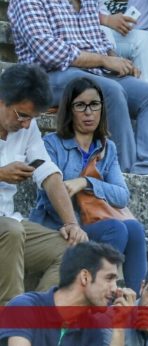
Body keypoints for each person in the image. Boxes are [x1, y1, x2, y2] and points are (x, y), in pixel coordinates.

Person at [9, 0, 148, 177]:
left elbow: (98, 40)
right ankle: (124, 173)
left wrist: (117, 60)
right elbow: (48, 52)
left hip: (94, 74)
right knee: (109, 91)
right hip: (48, 78)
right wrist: (104, 60)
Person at [29, 77, 147, 294]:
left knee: (135, 229)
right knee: (116, 228)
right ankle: (98, 292)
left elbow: (122, 196)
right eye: (80, 105)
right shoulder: (52, 144)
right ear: (69, 109)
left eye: (94, 105)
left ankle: (137, 304)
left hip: (94, 221)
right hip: (59, 224)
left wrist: (85, 182)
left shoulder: (107, 147)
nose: (88, 112)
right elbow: (49, 197)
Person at [0, 64, 88, 306]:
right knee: (12, 231)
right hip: (8, 230)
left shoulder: (27, 128)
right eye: (22, 115)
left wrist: (71, 223)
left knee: (74, 249)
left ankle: (34, 319)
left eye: (32, 118)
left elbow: (48, 174)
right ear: (2, 100)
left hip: (8, 222)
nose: (27, 124)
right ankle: (11, 325)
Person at [0, 241, 135, 346]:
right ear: (85, 277)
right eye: (109, 278)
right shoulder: (25, 306)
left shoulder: (89, 326)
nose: (115, 289)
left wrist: (119, 326)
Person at [25, 0, 148, 87]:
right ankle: (111, 89)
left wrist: (113, 20)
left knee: (145, 39)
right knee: (104, 32)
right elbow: (50, 2)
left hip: (98, 29)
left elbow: (98, 4)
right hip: (67, 34)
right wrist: (105, 20)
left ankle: (145, 91)